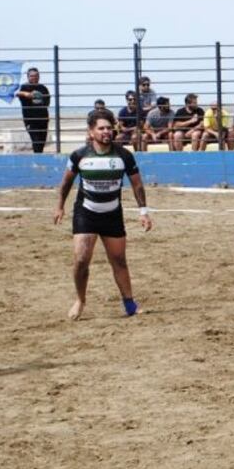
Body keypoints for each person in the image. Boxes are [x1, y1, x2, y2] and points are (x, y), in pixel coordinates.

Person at [53, 109, 152, 320]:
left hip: (112, 214)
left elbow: (137, 185)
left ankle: (130, 305)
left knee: (119, 261)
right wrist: (60, 206)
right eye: (101, 128)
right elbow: (66, 183)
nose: (106, 131)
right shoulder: (79, 155)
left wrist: (143, 212)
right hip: (86, 213)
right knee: (81, 260)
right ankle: (80, 300)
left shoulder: (124, 155)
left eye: (109, 127)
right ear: (91, 131)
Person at [14, 67, 50, 153]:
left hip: (43, 120)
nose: (34, 77)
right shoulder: (25, 87)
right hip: (31, 121)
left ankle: (39, 160)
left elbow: (47, 102)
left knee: (41, 143)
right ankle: (37, 160)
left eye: (36, 76)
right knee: (36, 142)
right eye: (32, 76)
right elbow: (16, 93)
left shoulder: (43, 88)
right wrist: (25, 94)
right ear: (28, 77)